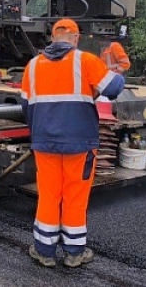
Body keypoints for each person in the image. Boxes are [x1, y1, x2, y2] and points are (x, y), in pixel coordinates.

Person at [20, 19, 125, 268]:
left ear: (53, 38)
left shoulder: (32, 66)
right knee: (75, 197)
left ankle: (44, 251)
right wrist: (118, 72)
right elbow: (113, 89)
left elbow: (26, 106)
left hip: (45, 143)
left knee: (48, 195)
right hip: (80, 143)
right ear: (76, 38)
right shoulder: (85, 60)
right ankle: (74, 253)